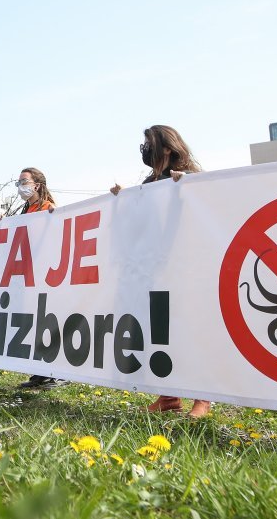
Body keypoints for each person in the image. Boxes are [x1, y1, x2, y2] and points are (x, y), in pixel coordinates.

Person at [111, 124, 211, 418]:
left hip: (184, 266)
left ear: (167, 147)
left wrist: (186, 185)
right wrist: (122, 199)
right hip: (156, 267)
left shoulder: (189, 178)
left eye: (149, 143)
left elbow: (208, 206)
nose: (145, 149)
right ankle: (168, 396)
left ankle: (202, 397)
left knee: (187, 329)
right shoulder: (150, 182)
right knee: (160, 332)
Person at [12, 168, 64, 390]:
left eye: (24, 181)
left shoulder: (47, 208)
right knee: (32, 323)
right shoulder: (27, 209)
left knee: (44, 322)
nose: (21, 185)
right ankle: (38, 372)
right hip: (29, 273)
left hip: (43, 274)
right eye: (19, 181)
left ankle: (51, 372)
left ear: (37, 185)